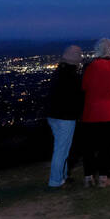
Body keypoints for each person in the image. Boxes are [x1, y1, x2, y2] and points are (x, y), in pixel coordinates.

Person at [81, 38, 110, 187]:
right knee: (106, 148)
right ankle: (104, 177)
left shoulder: (90, 67)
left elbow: (84, 86)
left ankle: (88, 177)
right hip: (109, 113)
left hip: (90, 113)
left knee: (89, 148)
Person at [45, 45, 83, 188]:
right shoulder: (73, 77)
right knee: (62, 149)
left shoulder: (58, 72)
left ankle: (63, 175)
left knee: (61, 147)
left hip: (52, 115)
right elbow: (78, 98)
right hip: (65, 117)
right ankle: (55, 180)